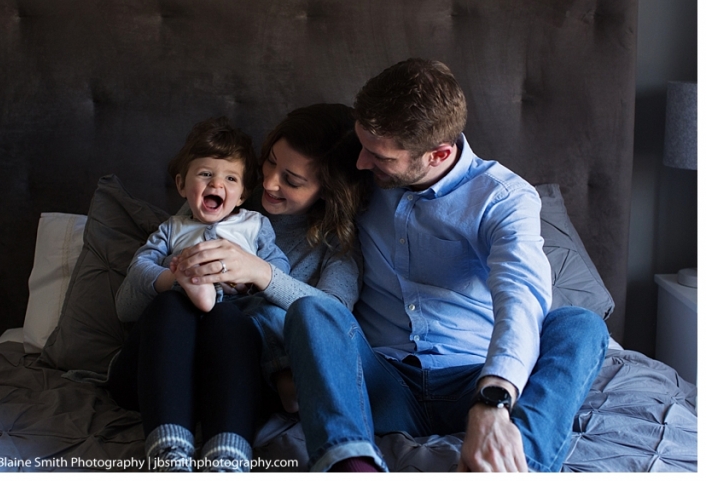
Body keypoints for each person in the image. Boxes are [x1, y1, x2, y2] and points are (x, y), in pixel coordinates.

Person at [282, 58, 610, 472]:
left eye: (380, 157)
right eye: (362, 145)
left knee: (582, 325)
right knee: (312, 310)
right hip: (383, 381)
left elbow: (520, 295)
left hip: (471, 380)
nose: (362, 163)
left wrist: (493, 400)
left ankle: (512, 464)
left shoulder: (503, 199)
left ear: (438, 153)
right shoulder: (355, 170)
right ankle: (353, 467)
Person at [106, 104, 369, 472]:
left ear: (328, 190)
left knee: (229, 320)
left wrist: (260, 275)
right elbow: (127, 306)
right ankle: (167, 459)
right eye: (270, 162)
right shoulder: (199, 213)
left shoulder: (334, 247)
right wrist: (174, 276)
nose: (271, 183)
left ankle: (227, 460)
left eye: (292, 180)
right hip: (158, 371)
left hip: (242, 383)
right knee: (173, 305)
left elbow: (335, 320)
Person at [115, 116, 290, 316]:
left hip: (237, 309)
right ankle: (196, 289)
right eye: (206, 174)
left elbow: (278, 268)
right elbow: (139, 266)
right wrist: (177, 279)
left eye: (231, 178)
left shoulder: (254, 224)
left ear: (242, 194)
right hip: (181, 306)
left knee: (230, 318)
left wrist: (252, 278)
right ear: (181, 185)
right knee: (169, 308)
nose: (216, 183)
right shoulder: (173, 227)